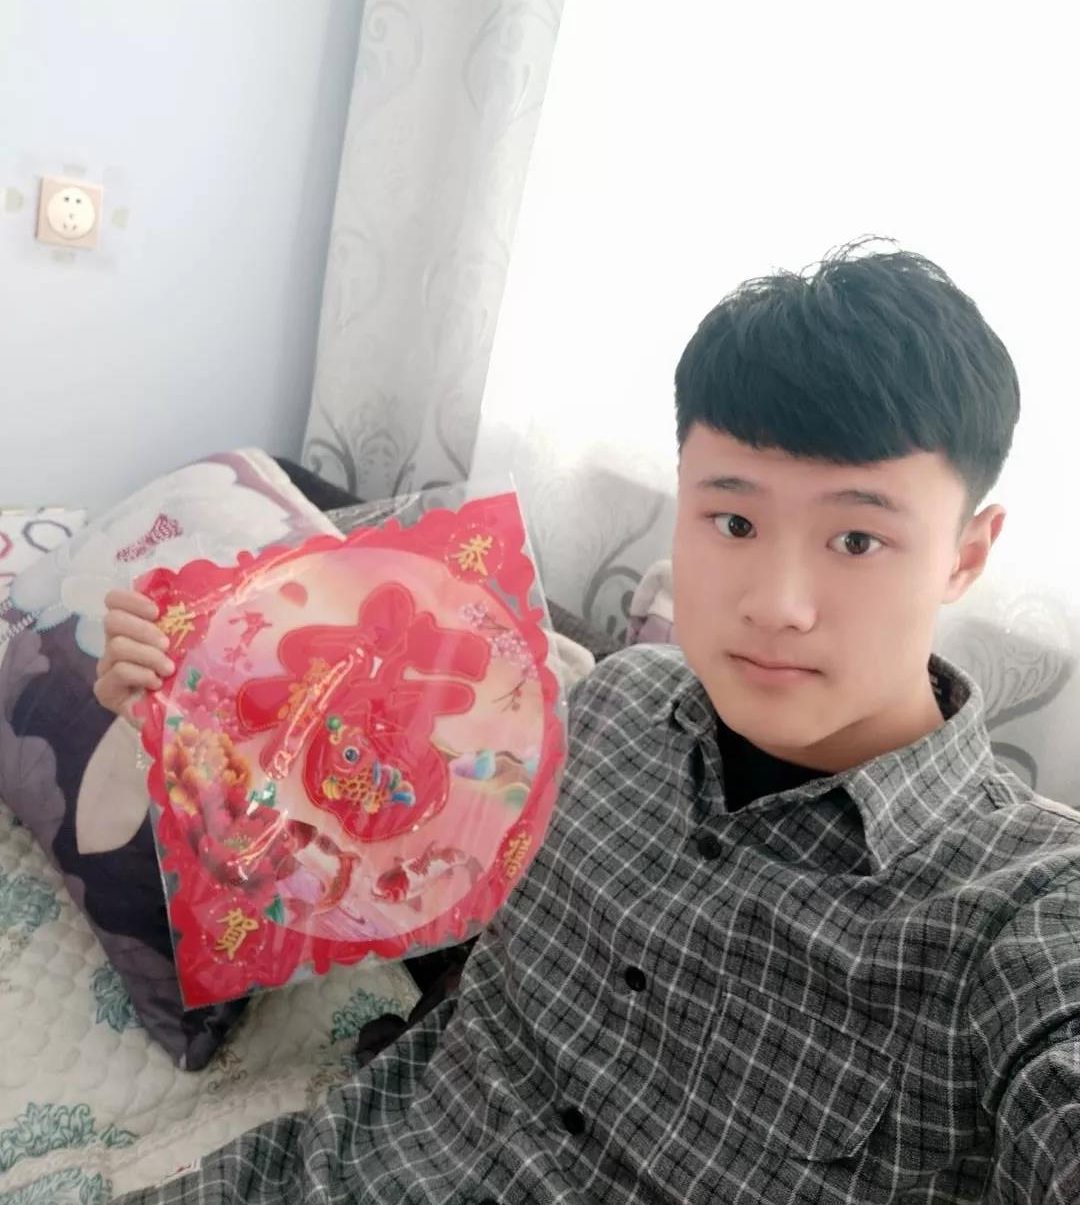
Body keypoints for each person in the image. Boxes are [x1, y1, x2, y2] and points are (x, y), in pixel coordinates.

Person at [102, 241, 1080, 1204]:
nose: (778, 604)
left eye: (858, 539)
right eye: (734, 522)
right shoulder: (604, 707)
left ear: (966, 554)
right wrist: (190, 705)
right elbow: (359, 836)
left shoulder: (1025, 908)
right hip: (341, 1166)